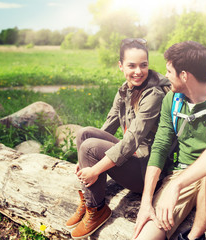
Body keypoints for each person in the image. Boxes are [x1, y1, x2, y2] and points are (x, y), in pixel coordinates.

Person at [132, 41, 206, 240]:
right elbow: (159, 148)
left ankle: (193, 237)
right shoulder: (172, 100)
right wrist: (146, 203)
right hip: (180, 174)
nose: (165, 76)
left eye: (169, 71)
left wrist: (177, 186)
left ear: (184, 75)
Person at [65, 38, 170, 239]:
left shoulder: (154, 94)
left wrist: (94, 168)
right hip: (135, 159)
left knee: (89, 147)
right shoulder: (125, 89)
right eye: (132, 65)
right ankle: (89, 200)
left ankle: (97, 209)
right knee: (84, 134)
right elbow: (109, 125)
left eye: (143, 65)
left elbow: (133, 138)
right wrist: (83, 157)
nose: (138, 71)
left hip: (149, 171)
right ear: (121, 66)